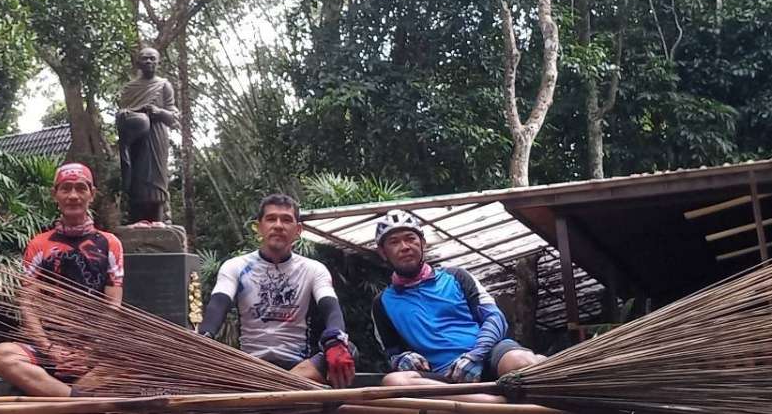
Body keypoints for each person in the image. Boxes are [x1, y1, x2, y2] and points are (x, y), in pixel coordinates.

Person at [371, 210, 543, 401]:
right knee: (394, 381)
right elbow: (391, 351)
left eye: (410, 238)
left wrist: (475, 355)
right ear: (383, 252)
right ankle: (494, 403)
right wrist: (401, 359)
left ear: (423, 243)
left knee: (520, 362)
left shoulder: (456, 276)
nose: (404, 247)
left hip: (488, 354)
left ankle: (483, 403)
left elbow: (495, 318)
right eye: (394, 242)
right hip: (443, 376)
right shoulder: (382, 303)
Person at [0, 162, 125, 396]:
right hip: (49, 350)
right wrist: (49, 348)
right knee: (1, 356)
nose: (73, 195)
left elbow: (113, 305)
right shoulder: (39, 244)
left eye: (81, 188)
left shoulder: (110, 243)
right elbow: (27, 303)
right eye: (66, 188)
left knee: (136, 359)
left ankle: (57, 395)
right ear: (55, 195)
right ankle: (76, 400)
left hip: (94, 352)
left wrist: (89, 351)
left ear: (92, 194)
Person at [197, 194, 357, 389]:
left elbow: (331, 308)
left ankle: (270, 388)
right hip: (250, 363)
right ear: (259, 227)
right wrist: (203, 339)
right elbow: (218, 304)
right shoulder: (235, 266)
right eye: (271, 219)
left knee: (347, 349)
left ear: (298, 230)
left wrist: (335, 341)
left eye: (286, 220)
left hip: (299, 365)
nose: (279, 225)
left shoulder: (313, 269)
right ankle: (286, 387)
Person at [115, 47, 179, 224]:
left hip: (157, 136)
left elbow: (174, 117)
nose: (149, 62)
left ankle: (159, 221)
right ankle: (135, 221)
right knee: (137, 180)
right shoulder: (129, 88)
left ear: (158, 62)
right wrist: (126, 115)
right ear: (138, 63)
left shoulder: (164, 85)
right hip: (136, 139)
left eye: (152, 58)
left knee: (156, 180)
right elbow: (123, 115)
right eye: (145, 58)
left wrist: (159, 111)